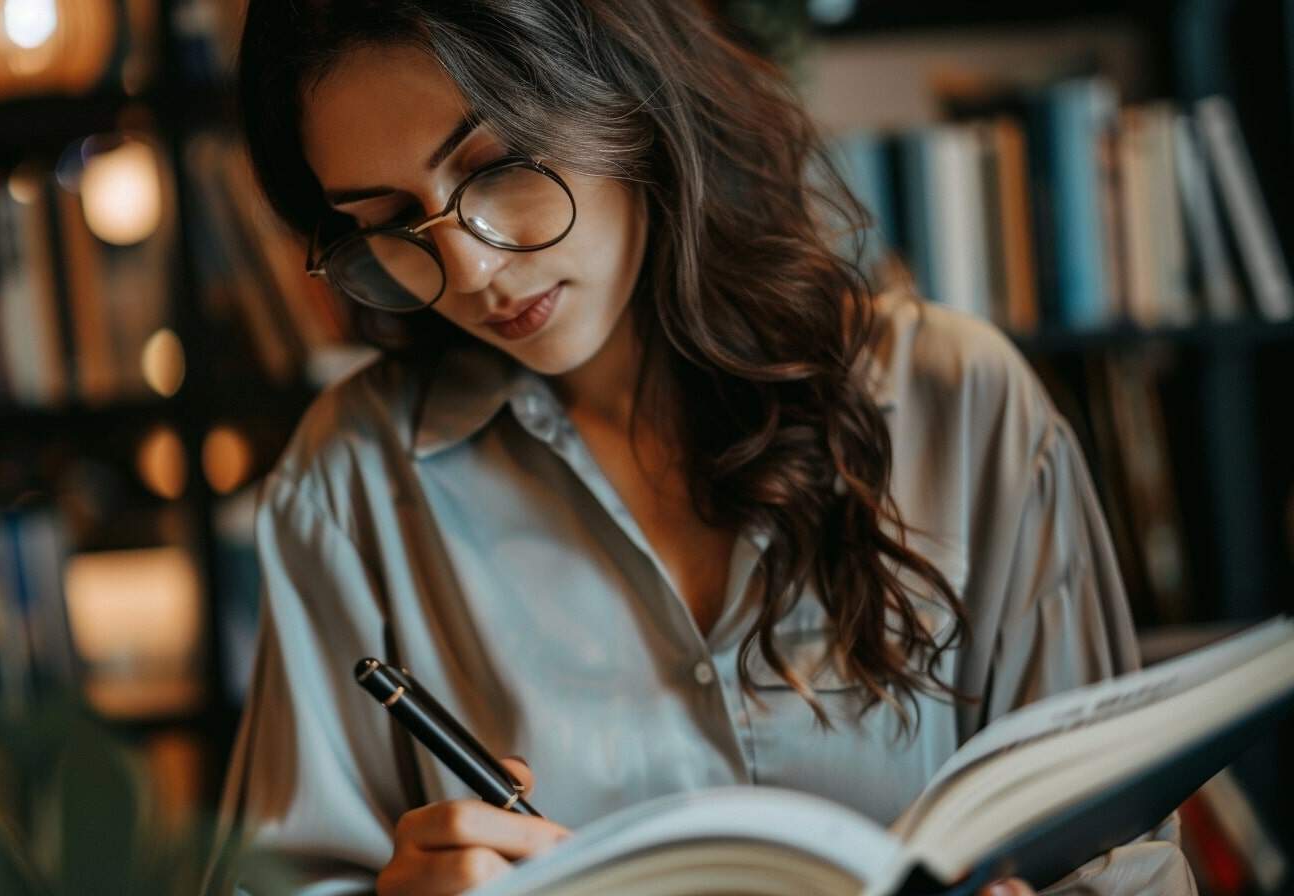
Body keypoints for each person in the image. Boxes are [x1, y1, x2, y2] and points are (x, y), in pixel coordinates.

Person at [206, 2, 1198, 894]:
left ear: (624, 92)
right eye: (384, 222)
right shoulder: (350, 484)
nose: (468, 269)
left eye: (497, 165)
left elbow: (1125, 862)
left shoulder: (958, 404)